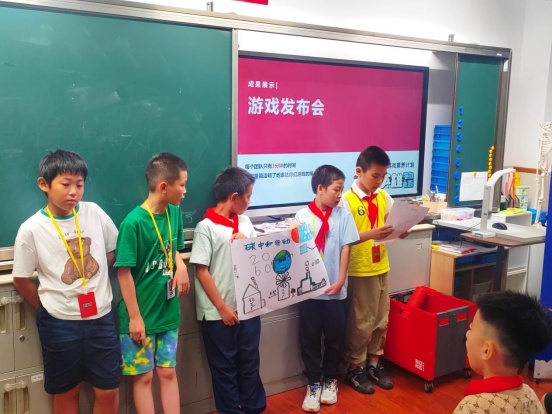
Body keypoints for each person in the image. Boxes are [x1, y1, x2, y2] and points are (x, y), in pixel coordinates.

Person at [12, 149, 120, 414]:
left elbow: (112, 250)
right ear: (44, 184)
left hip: (101, 318)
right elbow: (21, 278)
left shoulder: (94, 213)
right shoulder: (32, 228)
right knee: (67, 391)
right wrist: (47, 308)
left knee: (108, 389)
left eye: (79, 185)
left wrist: (91, 278)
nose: (74, 192)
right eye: (66, 184)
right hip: (59, 324)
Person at [116, 152, 190, 414]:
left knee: (168, 372)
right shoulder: (133, 223)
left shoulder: (174, 212)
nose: (185, 191)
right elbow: (123, 272)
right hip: (141, 315)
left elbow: (173, 249)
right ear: (164, 186)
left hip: (167, 311)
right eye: (182, 185)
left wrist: (181, 265)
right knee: (144, 377)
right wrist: (135, 317)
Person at [190, 166, 266, 414]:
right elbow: (202, 271)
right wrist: (222, 308)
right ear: (234, 197)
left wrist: (249, 244)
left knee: (249, 361)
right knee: (224, 366)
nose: (250, 201)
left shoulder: (245, 222)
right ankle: (231, 410)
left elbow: (258, 259)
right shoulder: (206, 227)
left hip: (248, 307)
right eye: (248, 196)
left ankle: (254, 407)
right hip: (218, 313)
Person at [293, 165, 359, 412]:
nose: (340, 195)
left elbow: (345, 247)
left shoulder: (343, 215)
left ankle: (330, 379)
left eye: (341, 190)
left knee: (334, 337)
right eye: (336, 190)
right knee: (309, 338)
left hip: (335, 289)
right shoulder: (301, 216)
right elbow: (297, 251)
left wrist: (341, 279)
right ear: (320, 188)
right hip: (309, 291)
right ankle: (313, 382)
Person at [341, 145, 397, 394]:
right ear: (359, 171)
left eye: (383, 176)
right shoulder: (346, 200)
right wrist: (371, 234)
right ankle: (355, 367)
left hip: (381, 264)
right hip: (359, 268)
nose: (379, 181)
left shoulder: (383, 196)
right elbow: (342, 238)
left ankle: (374, 362)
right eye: (375, 175)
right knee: (361, 321)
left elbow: (392, 224)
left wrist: (400, 230)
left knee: (381, 319)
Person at [453, 291, 552, 414]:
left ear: (487, 350)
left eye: (471, 329)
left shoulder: (471, 408)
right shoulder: (530, 395)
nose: (467, 334)